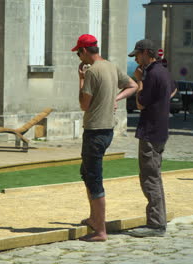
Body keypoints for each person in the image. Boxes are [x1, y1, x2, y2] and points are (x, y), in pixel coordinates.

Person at [72, 34, 139, 242]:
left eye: (78, 53)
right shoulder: (111, 66)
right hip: (107, 129)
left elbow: (84, 105)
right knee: (86, 172)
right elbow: (133, 86)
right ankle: (94, 218)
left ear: (84, 51)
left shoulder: (91, 72)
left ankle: (100, 231)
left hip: (95, 131)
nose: (79, 58)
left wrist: (81, 79)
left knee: (94, 178)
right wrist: (115, 99)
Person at [127, 39, 176, 237]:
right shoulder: (163, 71)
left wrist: (139, 80)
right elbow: (173, 90)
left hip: (150, 131)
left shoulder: (151, 74)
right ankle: (158, 220)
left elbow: (139, 104)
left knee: (149, 178)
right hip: (161, 130)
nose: (137, 59)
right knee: (155, 176)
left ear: (147, 53)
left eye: (138, 55)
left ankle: (156, 224)